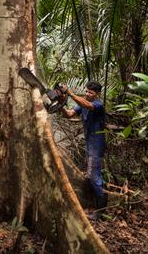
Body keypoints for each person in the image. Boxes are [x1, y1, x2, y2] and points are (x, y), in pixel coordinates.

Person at [61, 81, 107, 219]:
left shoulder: (98, 105)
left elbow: (87, 105)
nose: (87, 94)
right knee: (94, 174)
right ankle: (99, 201)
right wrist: (61, 105)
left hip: (97, 145)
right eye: (86, 91)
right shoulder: (83, 104)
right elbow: (69, 114)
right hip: (89, 144)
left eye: (91, 93)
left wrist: (69, 93)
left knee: (93, 176)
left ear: (97, 94)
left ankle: (101, 211)